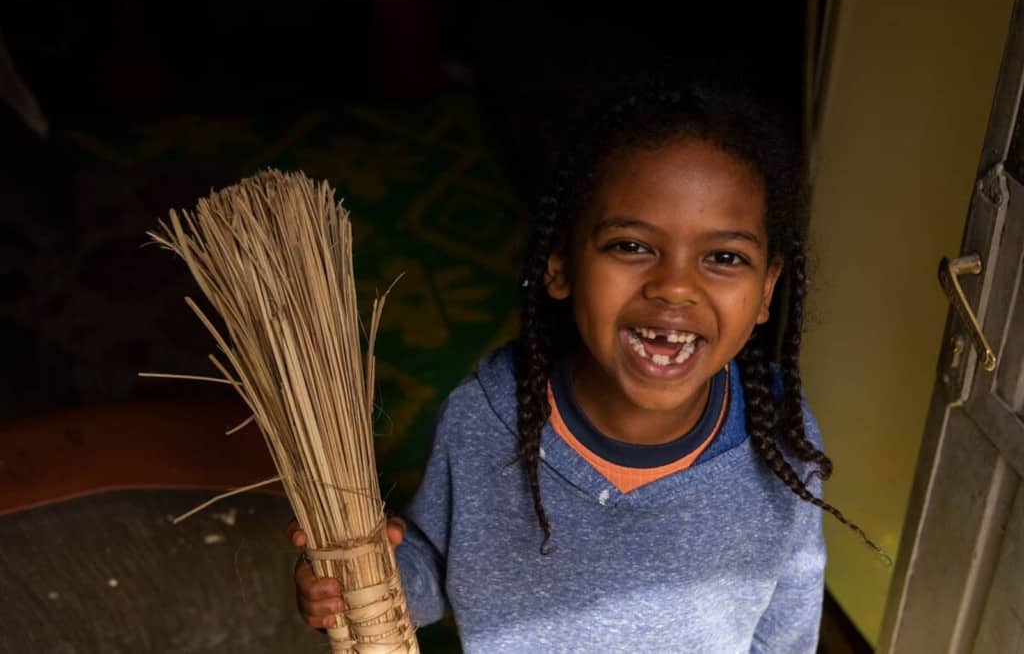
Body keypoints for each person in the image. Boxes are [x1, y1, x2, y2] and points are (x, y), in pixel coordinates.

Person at [289, 78, 876, 652]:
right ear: (560, 266)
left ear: (767, 291)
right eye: (632, 246)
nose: (674, 287)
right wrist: (363, 583)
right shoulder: (484, 423)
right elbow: (433, 566)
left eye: (723, 257)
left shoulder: (779, 438)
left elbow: (790, 614)